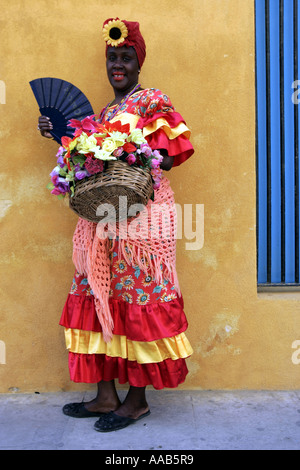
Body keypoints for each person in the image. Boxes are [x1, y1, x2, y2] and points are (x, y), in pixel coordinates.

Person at [38, 18, 194, 432]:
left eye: (126, 57)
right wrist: (62, 138)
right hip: (103, 219)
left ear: (139, 65)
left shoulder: (151, 101)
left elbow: (171, 153)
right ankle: (106, 395)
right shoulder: (105, 112)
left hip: (143, 220)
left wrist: (135, 151)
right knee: (97, 294)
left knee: (137, 302)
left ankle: (137, 402)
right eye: (112, 58)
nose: (118, 65)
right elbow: (95, 164)